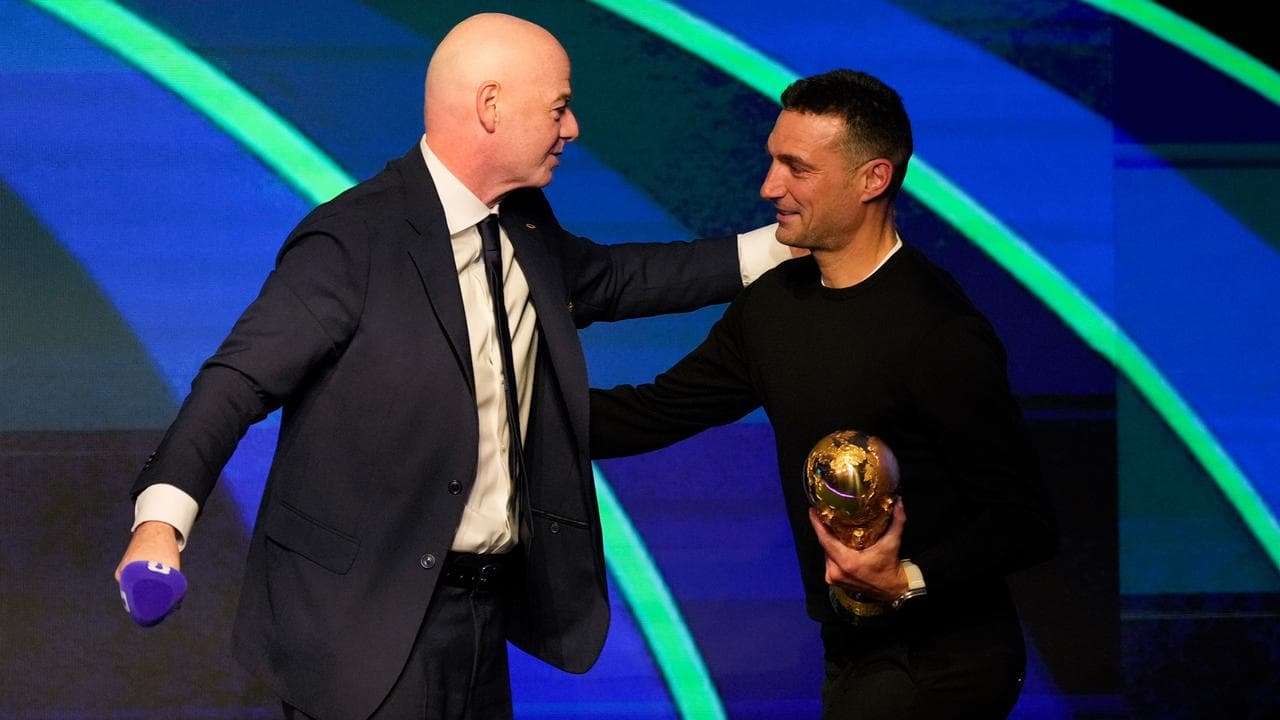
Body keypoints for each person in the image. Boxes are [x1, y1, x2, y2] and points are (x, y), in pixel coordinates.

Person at [114, 13, 789, 720]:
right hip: (359, 627)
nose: (573, 128)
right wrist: (160, 524)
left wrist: (783, 245)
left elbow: (621, 278)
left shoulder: (526, 223)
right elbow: (237, 381)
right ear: (491, 106)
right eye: (558, 107)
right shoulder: (353, 239)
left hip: (481, 620)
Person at [590, 69, 1058, 719]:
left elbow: (1024, 521)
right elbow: (653, 412)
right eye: (773, 161)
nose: (769, 186)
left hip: (942, 658)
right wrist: (491, 414)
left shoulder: (938, 331)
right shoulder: (774, 306)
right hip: (849, 648)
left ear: (873, 179)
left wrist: (907, 579)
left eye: (797, 168)